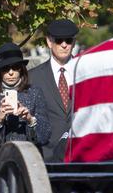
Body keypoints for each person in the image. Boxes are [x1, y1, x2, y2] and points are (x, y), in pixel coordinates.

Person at [0, 42, 50, 160]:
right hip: (0, 167)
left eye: (15, 67)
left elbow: (45, 137)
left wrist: (30, 120)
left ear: (21, 69)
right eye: (6, 68)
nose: (11, 72)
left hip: (29, 163)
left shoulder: (35, 93)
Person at [29, 19, 77, 162]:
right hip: (46, 158)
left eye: (68, 40)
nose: (64, 45)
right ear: (49, 42)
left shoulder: (85, 72)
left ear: (73, 43)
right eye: (59, 40)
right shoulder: (33, 77)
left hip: (80, 157)